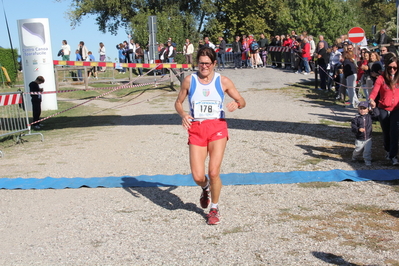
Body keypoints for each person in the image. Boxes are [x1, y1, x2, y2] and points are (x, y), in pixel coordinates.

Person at [174, 47, 246, 225]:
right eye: (201, 63)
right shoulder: (190, 81)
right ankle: (205, 188)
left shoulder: (223, 81)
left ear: (214, 64)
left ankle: (214, 208)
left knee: (213, 171)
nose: (204, 67)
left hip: (217, 127)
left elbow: (242, 101)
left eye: (207, 63)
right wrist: (183, 115)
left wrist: (237, 104)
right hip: (197, 128)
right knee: (198, 176)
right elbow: (178, 102)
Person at [369, 56, 399, 165]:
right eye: (390, 67)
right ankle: (387, 150)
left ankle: (393, 155)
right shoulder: (381, 78)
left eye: (395, 68)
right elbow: (374, 91)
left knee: (395, 132)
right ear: (386, 67)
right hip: (383, 109)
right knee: (387, 132)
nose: (392, 70)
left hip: (396, 109)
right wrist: (371, 100)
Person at [351, 101, 380, 166]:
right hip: (359, 138)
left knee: (367, 150)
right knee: (358, 150)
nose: (362, 110)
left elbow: (377, 114)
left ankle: (367, 160)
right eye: (361, 108)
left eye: (364, 108)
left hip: (368, 137)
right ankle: (354, 157)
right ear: (358, 109)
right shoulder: (356, 118)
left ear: (368, 109)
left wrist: (374, 107)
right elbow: (353, 127)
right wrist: (358, 129)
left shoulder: (369, 116)